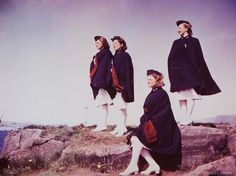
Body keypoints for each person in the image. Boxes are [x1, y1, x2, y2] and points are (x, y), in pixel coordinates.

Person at [119, 69, 182, 175]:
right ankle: (151, 166)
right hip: (154, 125)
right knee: (135, 138)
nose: (147, 81)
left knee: (136, 138)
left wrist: (144, 124)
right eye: (147, 79)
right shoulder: (154, 92)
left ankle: (134, 167)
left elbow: (162, 115)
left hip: (162, 131)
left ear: (157, 80)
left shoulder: (161, 94)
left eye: (150, 79)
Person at [168, 20, 221, 125]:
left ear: (186, 28)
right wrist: (173, 71)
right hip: (179, 74)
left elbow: (199, 58)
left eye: (180, 27)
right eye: (177, 28)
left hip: (191, 73)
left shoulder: (194, 41)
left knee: (191, 95)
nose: (178, 30)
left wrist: (199, 73)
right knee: (181, 96)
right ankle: (183, 118)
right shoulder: (176, 42)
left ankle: (188, 118)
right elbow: (171, 58)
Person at [89, 36, 115, 131]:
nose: (97, 44)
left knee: (102, 103)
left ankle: (102, 125)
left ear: (103, 43)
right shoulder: (100, 54)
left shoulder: (106, 53)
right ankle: (101, 124)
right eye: (96, 43)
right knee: (100, 103)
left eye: (98, 42)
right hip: (98, 81)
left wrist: (102, 81)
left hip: (101, 82)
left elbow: (105, 68)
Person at [110, 36, 134, 136]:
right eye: (113, 43)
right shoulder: (116, 56)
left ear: (122, 44)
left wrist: (122, 86)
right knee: (117, 107)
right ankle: (119, 126)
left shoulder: (125, 56)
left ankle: (122, 128)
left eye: (116, 43)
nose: (114, 45)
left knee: (121, 107)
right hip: (116, 85)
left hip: (122, 85)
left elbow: (126, 73)